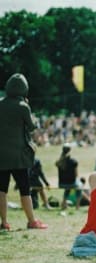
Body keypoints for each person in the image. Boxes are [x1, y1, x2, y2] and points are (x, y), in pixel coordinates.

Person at [0, 73, 47, 230]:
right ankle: (31, 221)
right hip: (19, 155)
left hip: (1, 154)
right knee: (24, 188)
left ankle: (4, 222)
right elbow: (32, 127)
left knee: (2, 189)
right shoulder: (23, 106)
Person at [55, 144, 81, 209]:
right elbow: (76, 175)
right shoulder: (73, 161)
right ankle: (77, 205)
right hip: (71, 183)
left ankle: (64, 203)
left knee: (68, 187)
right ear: (70, 151)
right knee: (80, 187)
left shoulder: (59, 162)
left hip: (61, 184)